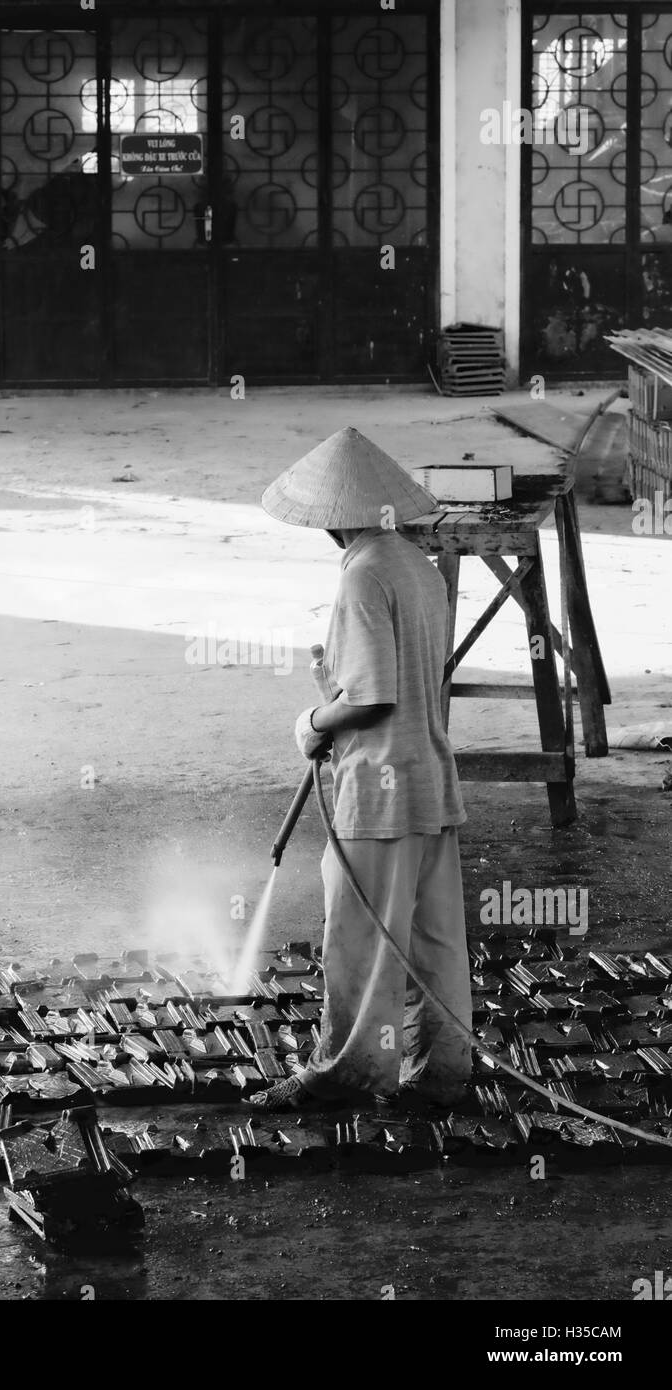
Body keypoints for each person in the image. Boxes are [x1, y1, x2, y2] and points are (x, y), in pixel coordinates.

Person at [250, 426, 472, 1110]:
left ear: (331, 519)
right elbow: (399, 679)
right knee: (435, 942)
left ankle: (351, 1073)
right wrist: (334, 690)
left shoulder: (364, 573)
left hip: (378, 794)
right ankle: (443, 1074)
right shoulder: (419, 566)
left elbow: (375, 698)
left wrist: (312, 724)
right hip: (429, 780)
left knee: (362, 940)